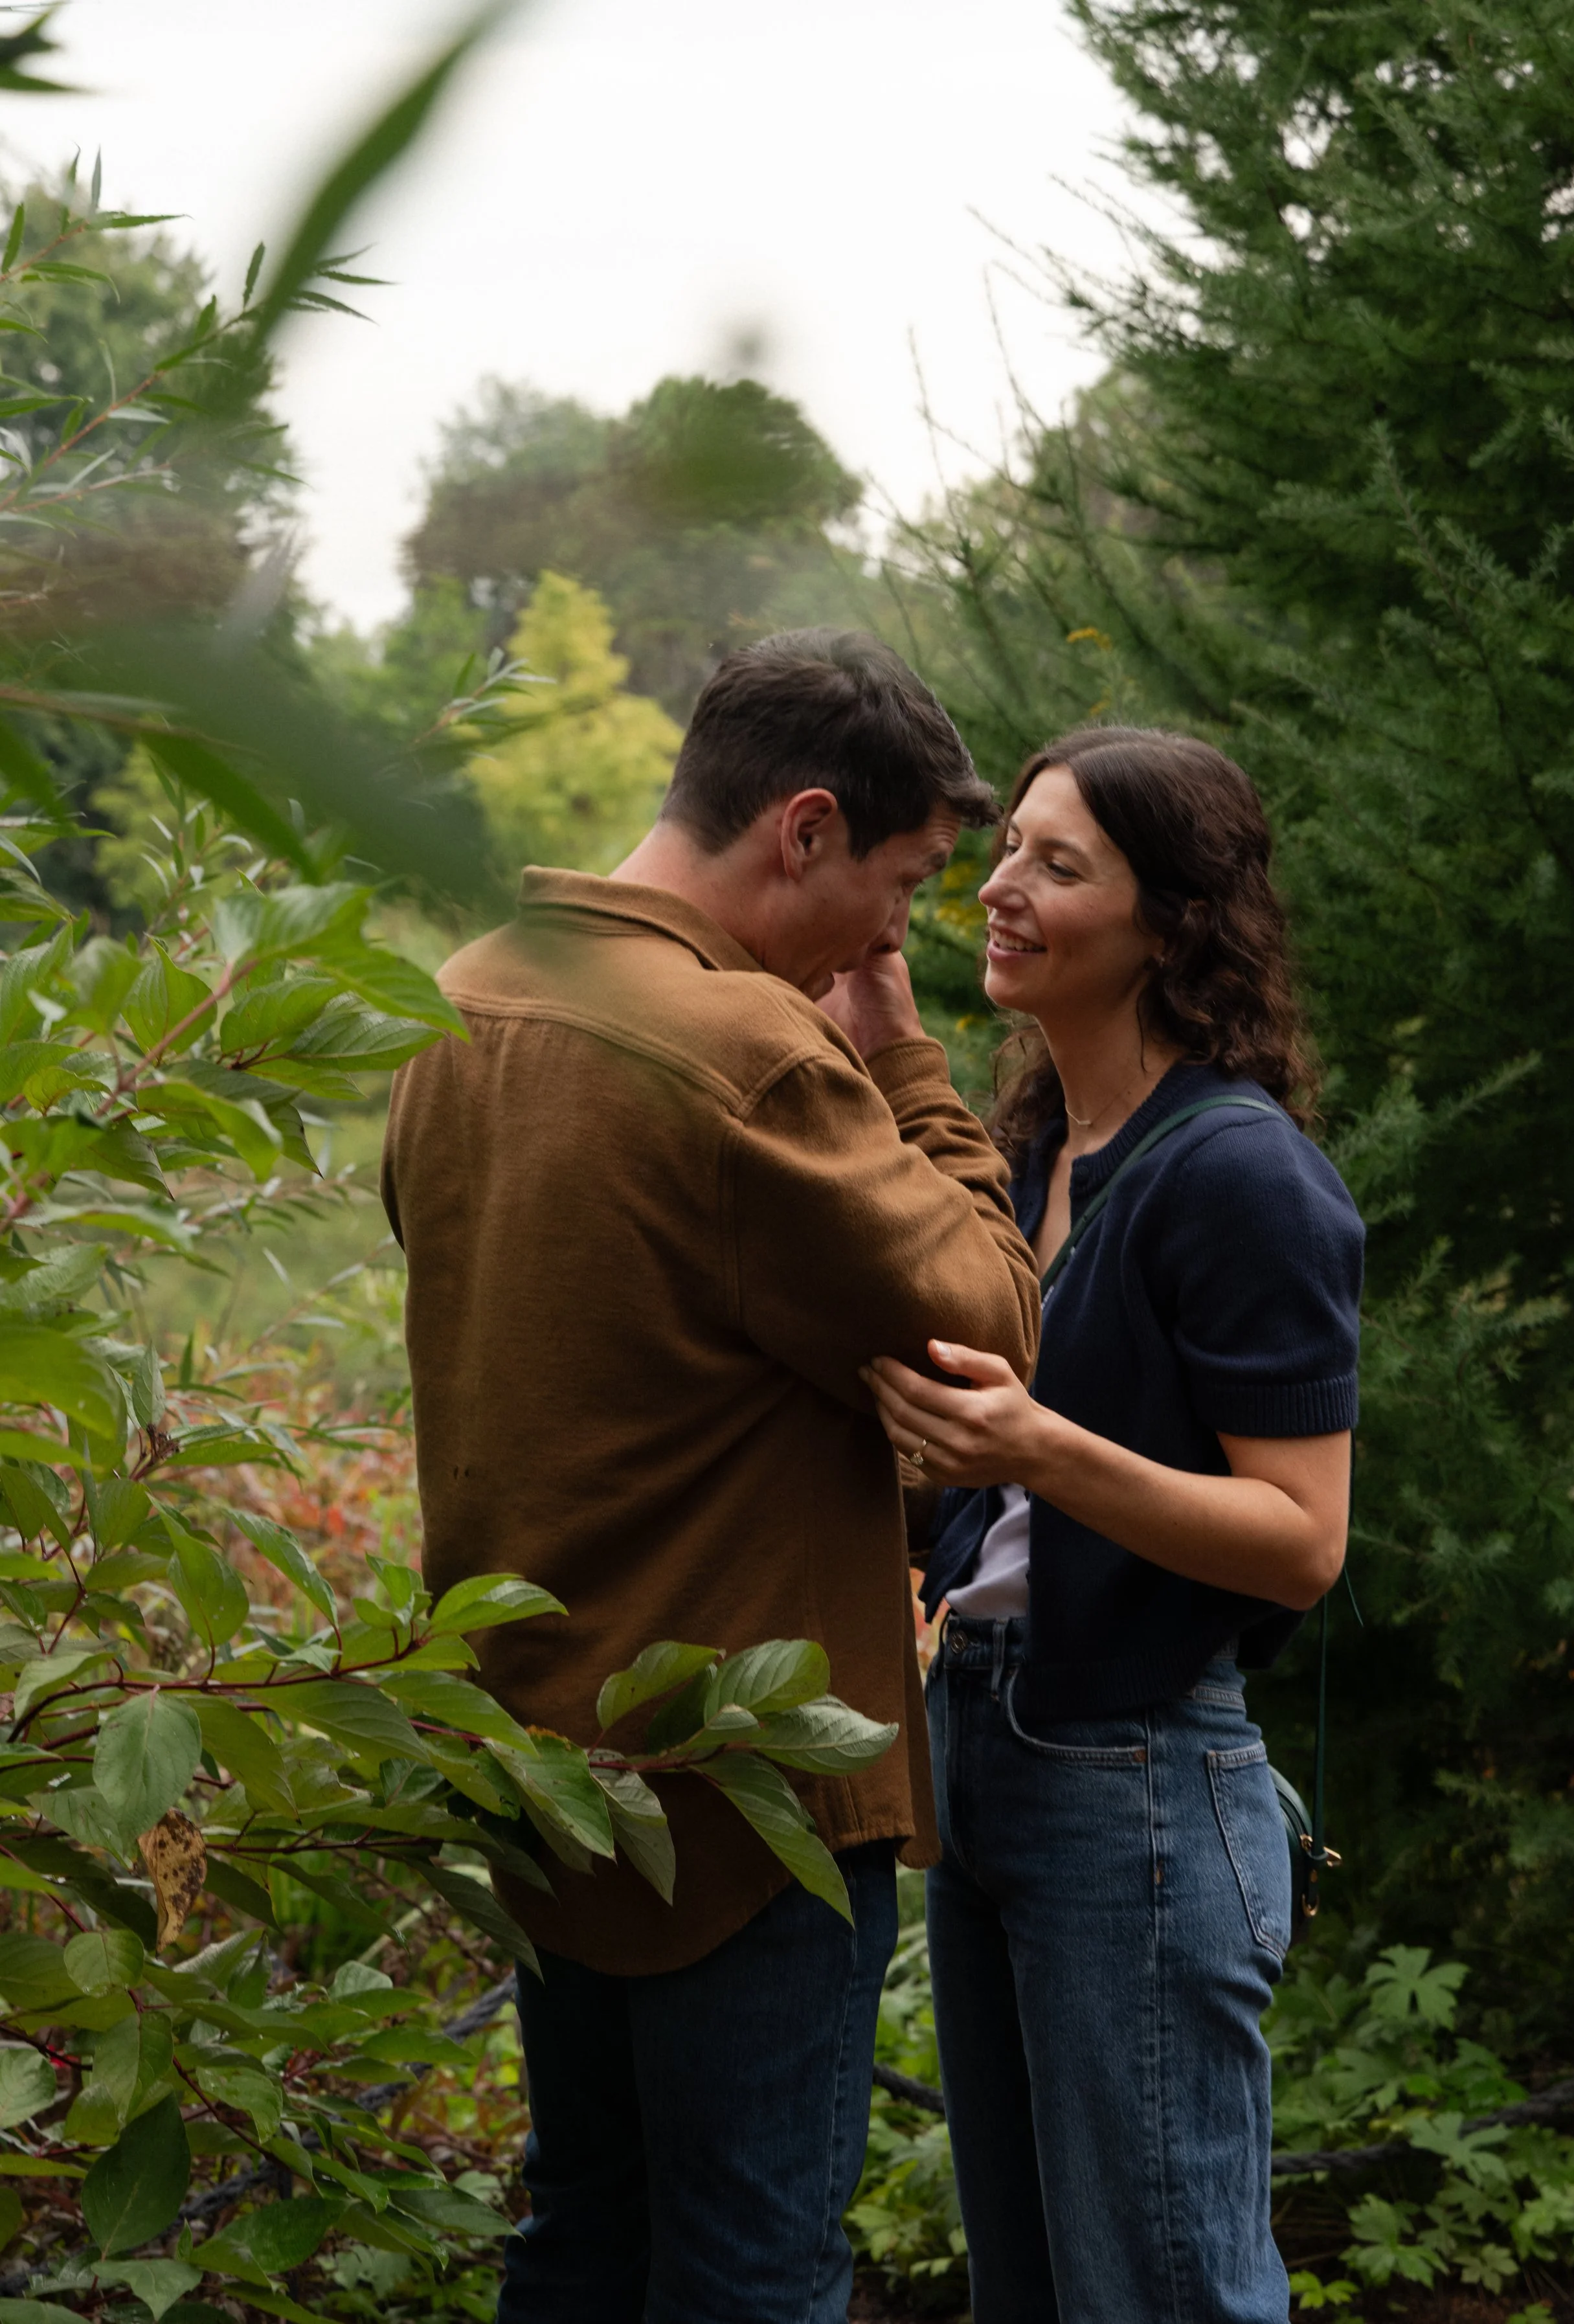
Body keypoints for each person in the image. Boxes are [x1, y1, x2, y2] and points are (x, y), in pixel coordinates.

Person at [380, 629, 1041, 2324]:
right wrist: (902, 1061)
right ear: (801, 828)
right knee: (752, 2272)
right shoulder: (747, 1052)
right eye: (897, 885)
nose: (897, 937)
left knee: (583, 2240)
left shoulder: (462, 990)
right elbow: (989, 1315)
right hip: (742, 1790)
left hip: (538, 1757)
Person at [862, 726, 1364, 2324]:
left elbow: (1298, 1538)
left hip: (1136, 1785)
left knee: (1159, 2295)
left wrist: (1038, 1447)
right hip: (986, 1751)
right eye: (1005, 847)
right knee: (1031, 2290)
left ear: (1172, 921)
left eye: (1054, 863)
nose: (996, 887)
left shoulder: (1237, 1175)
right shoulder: (1035, 1155)